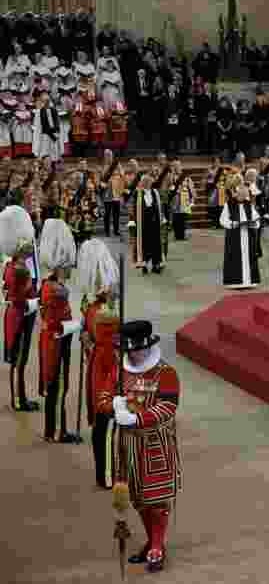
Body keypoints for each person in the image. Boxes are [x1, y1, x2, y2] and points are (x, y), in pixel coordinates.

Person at [96, 320, 182, 572]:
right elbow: (102, 396)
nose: (131, 355)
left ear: (146, 346)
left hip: (154, 445)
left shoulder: (165, 373)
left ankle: (157, 545)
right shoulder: (119, 370)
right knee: (137, 498)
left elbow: (168, 408)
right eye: (127, 351)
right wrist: (114, 405)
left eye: (134, 350)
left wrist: (137, 417)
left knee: (157, 498)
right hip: (126, 445)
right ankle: (152, 541)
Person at [76, 238, 120, 488]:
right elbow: (110, 347)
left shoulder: (89, 306)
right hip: (105, 367)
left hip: (95, 364)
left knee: (101, 424)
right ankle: (106, 475)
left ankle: (102, 472)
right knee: (106, 421)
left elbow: (87, 338)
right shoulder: (105, 313)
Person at [37, 218, 83, 443]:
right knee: (59, 386)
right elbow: (58, 324)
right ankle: (56, 431)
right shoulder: (57, 290)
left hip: (51, 339)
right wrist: (79, 325)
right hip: (56, 341)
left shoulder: (49, 284)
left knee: (55, 386)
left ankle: (52, 428)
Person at [1, 206, 41, 411]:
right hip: (19, 314)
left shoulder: (12, 265)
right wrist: (36, 302)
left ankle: (20, 396)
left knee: (18, 358)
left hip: (15, 314)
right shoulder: (19, 269)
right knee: (19, 359)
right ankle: (18, 399)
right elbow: (19, 298)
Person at [221, 179, 262, 289]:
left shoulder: (249, 205)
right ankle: (235, 282)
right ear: (237, 194)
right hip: (234, 236)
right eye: (241, 195)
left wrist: (253, 224)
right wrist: (233, 224)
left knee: (250, 257)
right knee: (234, 258)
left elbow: (257, 220)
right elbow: (223, 220)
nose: (243, 197)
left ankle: (250, 281)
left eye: (245, 195)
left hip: (248, 236)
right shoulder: (229, 205)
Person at [130, 173, 165, 274]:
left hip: (154, 222)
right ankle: (144, 264)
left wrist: (161, 218)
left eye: (149, 181)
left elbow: (159, 207)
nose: (147, 183)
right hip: (143, 223)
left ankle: (156, 265)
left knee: (155, 244)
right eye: (145, 181)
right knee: (144, 244)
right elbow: (135, 208)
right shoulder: (138, 193)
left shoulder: (155, 192)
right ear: (142, 182)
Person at [98, 149, 125, 237]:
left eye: (110, 155)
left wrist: (116, 175)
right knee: (107, 214)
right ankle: (107, 231)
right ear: (104, 157)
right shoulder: (102, 166)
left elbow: (122, 175)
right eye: (107, 155)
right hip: (107, 193)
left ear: (112, 156)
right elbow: (101, 178)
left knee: (116, 214)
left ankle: (116, 230)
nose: (108, 157)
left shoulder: (117, 165)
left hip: (116, 192)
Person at [167, 158, 194, 241]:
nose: (176, 167)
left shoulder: (185, 176)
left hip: (184, 198)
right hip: (176, 198)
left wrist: (192, 198)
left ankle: (182, 234)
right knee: (176, 217)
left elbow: (191, 186)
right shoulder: (171, 176)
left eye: (178, 165)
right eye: (175, 166)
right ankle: (177, 234)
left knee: (184, 217)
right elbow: (168, 186)